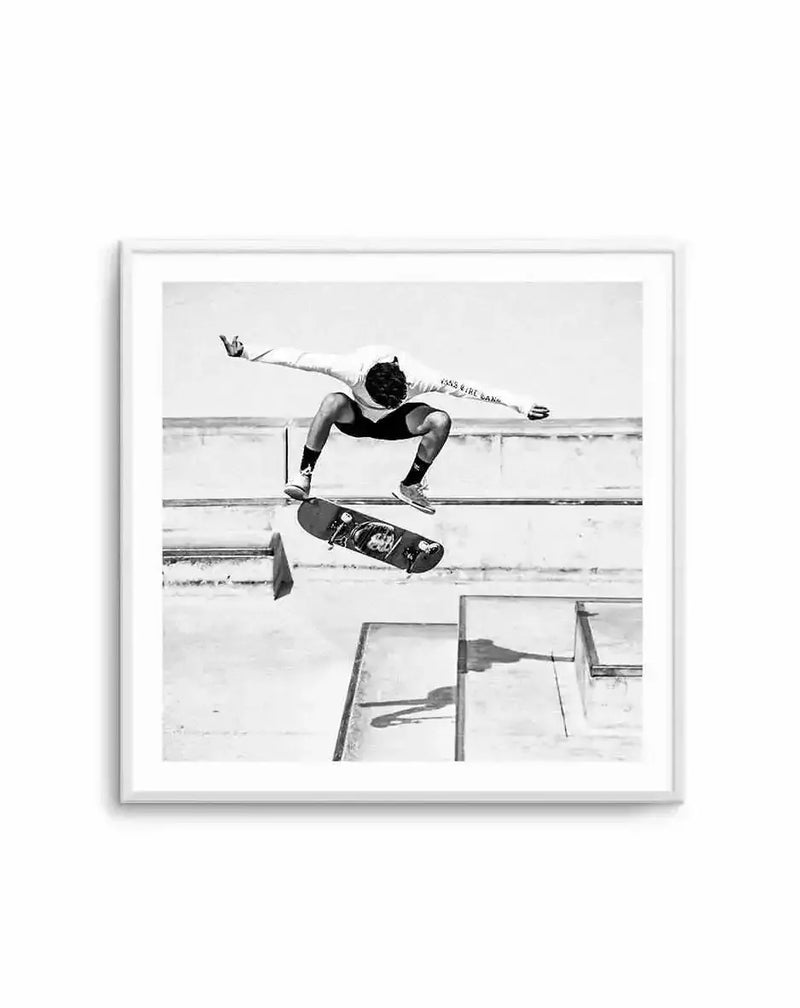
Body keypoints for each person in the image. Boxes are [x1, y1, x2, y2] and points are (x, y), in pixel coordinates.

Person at [219, 336, 549, 514]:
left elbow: (470, 389)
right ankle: (305, 475)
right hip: (355, 420)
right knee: (331, 401)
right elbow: (299, 358)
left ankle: (410, 485)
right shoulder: (350, 368)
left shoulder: (421, 377)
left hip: (398, 424)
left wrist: (520, 403)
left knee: (440, 419)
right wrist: (246, 350)